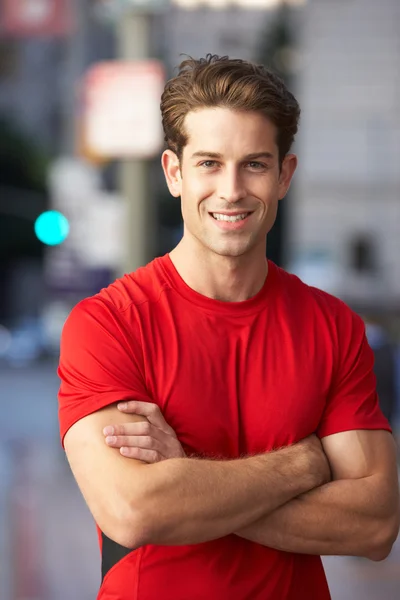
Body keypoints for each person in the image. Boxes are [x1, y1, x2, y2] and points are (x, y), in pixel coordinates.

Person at [58, 55, 400, 600]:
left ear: (284, 175)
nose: (232, 189)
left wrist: (186, 477)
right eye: (210, 163)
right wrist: (304, 463)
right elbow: (133, 509)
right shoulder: (108, 324)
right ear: (175, 172)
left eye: (255, 164)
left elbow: (375, 526)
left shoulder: (333, 327)